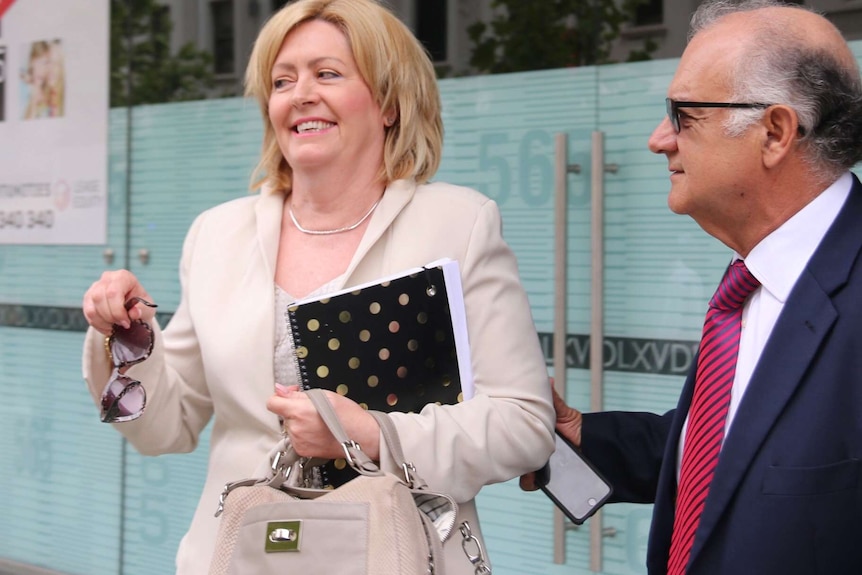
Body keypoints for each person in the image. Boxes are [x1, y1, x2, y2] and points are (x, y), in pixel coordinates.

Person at [81, 0, 554, 573]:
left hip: (400, 555)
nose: (300, 93)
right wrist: (125, 338)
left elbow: (523, 424)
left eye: (327, 73)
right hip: (244, 556)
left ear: (388, 103)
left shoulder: (458, 223)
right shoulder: (216, 234)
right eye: (283, 81)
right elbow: (166, 426)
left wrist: (373, 434)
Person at [523, 1, 862, 574]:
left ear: (775, 132)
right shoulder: (749, 282)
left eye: (683, 115)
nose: (660, 140)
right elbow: (734, 456)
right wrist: (577, 434)